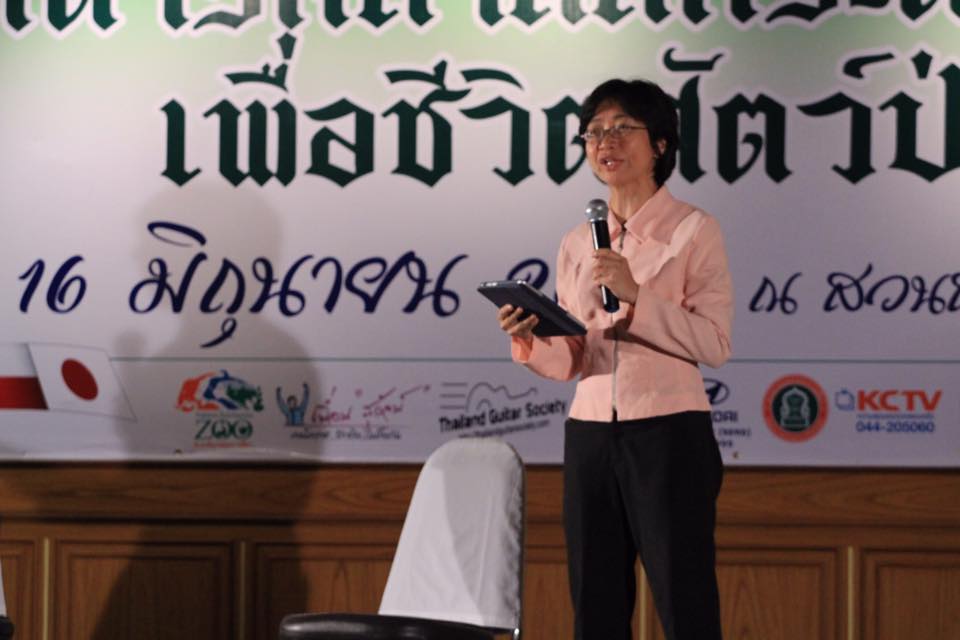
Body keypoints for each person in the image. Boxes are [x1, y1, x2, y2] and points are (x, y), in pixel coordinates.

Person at [497, 78, 732, 640]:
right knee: (595, 604)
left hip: (669, 432)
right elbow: (576, 357)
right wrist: (531, 338)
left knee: (686, 602)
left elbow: (714, 343)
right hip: (590, 435)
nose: (606, 141)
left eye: (623, 128)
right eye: (594, 132)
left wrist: (637, 297)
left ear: (660, 144)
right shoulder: (577, 241)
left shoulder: (694, 230)